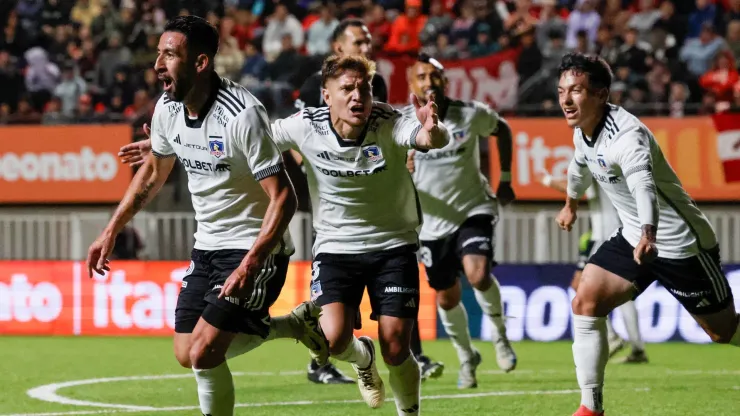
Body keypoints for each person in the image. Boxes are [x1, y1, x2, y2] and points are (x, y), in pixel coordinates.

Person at [87, 16, 329, 416]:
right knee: (187, 352)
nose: (157, 65)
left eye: (169, 54)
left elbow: (283, 198)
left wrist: (251, 264)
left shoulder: (243, 115)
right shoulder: (167, 108)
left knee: (203, 353)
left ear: (200, 63)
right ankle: (292, 326)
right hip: (207, 248)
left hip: (255, 248)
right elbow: (153, 172)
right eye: (159, 53)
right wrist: (111, 230)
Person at [556, 52, 740, 416]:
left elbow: (644, 189)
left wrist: (649, 233)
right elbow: (579, 166)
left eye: (576, 90)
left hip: (679, 243)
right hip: (632, 236)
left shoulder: (627, 136)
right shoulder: (582, 131)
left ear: (601, 94)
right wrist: (571, 203)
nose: (565, 99)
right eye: (561, 90)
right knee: (585, 301)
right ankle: (590, 408)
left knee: (722, 333)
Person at [271, 54, 449, 415]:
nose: (358, 97)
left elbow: (428, 137)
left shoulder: (389, 121)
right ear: (326, 95)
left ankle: (408, 413)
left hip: (393, 246)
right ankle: (362, 357)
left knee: (397, 347)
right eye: (347, 89)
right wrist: (171, 146)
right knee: (334, 341)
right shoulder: (306, 125)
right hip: (335, 248)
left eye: (364, 89)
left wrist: (432, 129)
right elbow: (253, 138)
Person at [402, 54, 517, 389]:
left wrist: (506, 179)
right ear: (412, 85)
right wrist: (401, 168)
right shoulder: (402, 122)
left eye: (434, 76)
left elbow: (504, 130)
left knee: (479, 274)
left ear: (445, 81)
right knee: (446, 298)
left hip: (473, 208)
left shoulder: (470, 114)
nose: (428, 82)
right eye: (421, 77)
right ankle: (467, 357)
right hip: (430, 225)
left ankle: (500, 336)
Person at [538, 174, 647, 364]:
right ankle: (638, 349)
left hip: (608, 236)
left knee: (581, 285)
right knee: (624, 294)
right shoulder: (616, 167)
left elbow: (576, 190)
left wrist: (547, 180)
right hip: (626, 234)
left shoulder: (597, 163)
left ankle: (612, 337)